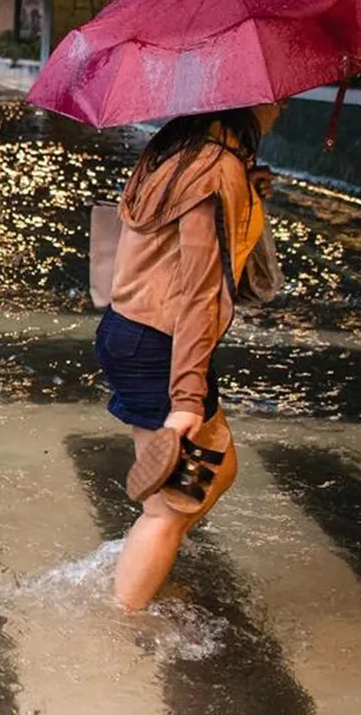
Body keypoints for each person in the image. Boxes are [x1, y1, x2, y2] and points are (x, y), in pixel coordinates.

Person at [96, 102, 282, 610]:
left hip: (127, 329)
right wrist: (186, 398)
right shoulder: (216, 170)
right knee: (171, 509)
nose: (282, 107)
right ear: (249, 100)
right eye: (279, 99)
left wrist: (246, 194)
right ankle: (125, 618)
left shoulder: (174, 147)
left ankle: (141, 566)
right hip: (162, 345)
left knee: (216, 471)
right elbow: (199, 293)